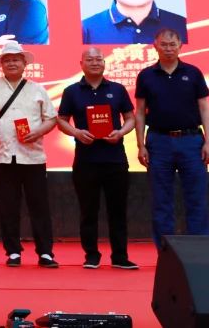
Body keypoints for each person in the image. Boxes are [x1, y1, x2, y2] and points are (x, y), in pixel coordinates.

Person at [0, 41, 59, 267]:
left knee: (39, 206)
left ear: (24, 63)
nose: (11, 63)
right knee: (8, 206)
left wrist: (38, 131)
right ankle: (13, 252)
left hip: (33, 157)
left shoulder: (38, 89)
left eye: (16, 59)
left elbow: (51, 118)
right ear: (1, 64)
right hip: (2, 157)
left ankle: (45, 252)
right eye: (7, 60)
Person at [57, 48, 138, 269]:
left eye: (98, 59)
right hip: (86, 161)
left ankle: (120, 256)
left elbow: (130, 118)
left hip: (115, 159)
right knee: (88, 211)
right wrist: (77, 133)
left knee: (118, 210)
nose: (95, 63)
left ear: (104, 62)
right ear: (81, 64)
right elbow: (61, 120)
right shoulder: (72, 91)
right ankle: (91, 255)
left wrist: (121, 132)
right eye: (90, 59)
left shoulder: (117, 89)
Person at [135, 29, 209, 248]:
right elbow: (140, 112)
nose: (168, 49)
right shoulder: (146, 75)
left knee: (196, 198)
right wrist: (141, 145)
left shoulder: (193, 73)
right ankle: (166, 252)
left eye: (172, 44)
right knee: (161, 201)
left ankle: (199, 250)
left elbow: (205, 109)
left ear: (180, 46)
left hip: (192, 141)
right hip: (158, 142)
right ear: (155, 46)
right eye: (164, 44)